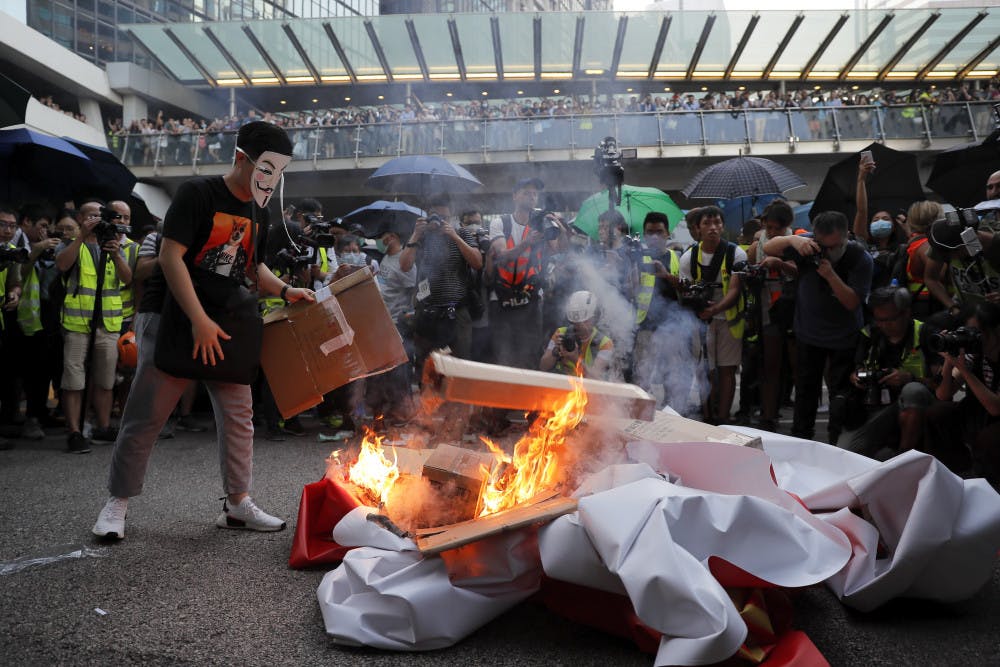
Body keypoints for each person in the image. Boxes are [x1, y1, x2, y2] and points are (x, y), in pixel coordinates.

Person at [93, 121, 313, 540]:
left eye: (278, 172)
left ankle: (237, 504)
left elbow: (253, 266)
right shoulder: (198, 193)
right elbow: (172, 258)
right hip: (170, 313)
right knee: (147, 414)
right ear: (242, 159)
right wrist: (198, 320)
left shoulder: (259, 211)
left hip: (224, 316)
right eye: (266, 169)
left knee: (238, 414)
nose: (271, 180)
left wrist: (287, 290)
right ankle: (117, 502)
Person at [764, 210, 873, 444]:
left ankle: (837, 440)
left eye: (835, 246)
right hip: (808, 333)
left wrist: (831, 275)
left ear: (846, 236)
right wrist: (794, 239)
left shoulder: (859, 258)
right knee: (805, 392)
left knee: (840, 395)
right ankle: (802, 440)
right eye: (824, 246)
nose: (828, 252)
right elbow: (768, 247)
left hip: (844, 337)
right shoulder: (808, 246)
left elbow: (853, 302)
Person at [55, 199, 133, 453]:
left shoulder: (111, 243)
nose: (96, 220)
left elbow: (127, 278)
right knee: (74, 379)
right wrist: (81, 238)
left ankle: (102, 426)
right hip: (78, 322)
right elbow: (62, 265)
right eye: (91, 216)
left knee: (106, 380)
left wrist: (115, 254)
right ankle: (74, 432)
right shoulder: (70, 244)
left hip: (108, 323)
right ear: (80, 218)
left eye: (100, 215)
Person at [835, 286, 938, 458]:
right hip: (875, 406)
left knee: (913, 390)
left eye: (890, 320)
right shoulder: (869, 334)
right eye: (879, 320)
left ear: (906, 313)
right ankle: (885, 451)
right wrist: (856, 377)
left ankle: (904, 458)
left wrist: (910, 378)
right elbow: (854, 370)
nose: (884, 325)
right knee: (847, 453)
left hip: (918, 404)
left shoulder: (926, 333)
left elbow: (941, 384)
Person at [679, 206, 746, 424]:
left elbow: (735, 290)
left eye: (717, 223)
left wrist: (715, 309)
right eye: (707, 224)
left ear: (723, 226)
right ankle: (707, 416)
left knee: (727, 370)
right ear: (697, 228)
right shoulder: (689, 257)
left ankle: (724, 418)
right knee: (703, 370)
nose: (713, 228)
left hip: (728, 320)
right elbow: (687, 290)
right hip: (701, 321)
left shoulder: (736, 253)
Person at [401, 194, 483, 370]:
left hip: (457, 312)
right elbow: (404, 265)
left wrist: (454, 236)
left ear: (451, 217)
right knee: (427, 367)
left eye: (444, 217)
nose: (439, 222)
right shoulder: (421, 237)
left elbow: (477, 262)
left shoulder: (461, 233)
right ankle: (427, 397)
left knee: (460, 368)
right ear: (427, 216)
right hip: (428, 313)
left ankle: (456, 398)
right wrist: (416, 234)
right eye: (435, 216)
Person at [924, 301, 1000, 483]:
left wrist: (965, 370)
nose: (972, 338)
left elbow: (996, 408)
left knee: (988, 439)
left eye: (978, 333)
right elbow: (943, 394)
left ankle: (990, 486)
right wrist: (949, 361)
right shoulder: (973, 353)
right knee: (936, 413)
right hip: (979, 412)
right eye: (966, 332)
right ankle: (956, 473)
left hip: (995, 415)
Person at [745, 200, 799, 432]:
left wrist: (781, 264)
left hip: (794, 307)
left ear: (787, 226)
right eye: (769, 228)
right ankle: (768, 415)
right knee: (770, 365)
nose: (773, 232)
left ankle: (800, 419)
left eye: (778, 228)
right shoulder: (759, 244)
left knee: (798, 365)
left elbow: (802, 271)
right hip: (768, 307)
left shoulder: (797, 241)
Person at [486, 178, 549, 370]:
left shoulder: (541, 224)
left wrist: (559, 228)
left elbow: (560, 248)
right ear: (514, 196)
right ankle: (505, 399)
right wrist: (526, 242)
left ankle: (530, 400)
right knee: (504, 357)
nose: (532, 196)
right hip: (502, 300)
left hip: (531, 301)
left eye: (535, 193)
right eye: (526, 192)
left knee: (530, 357)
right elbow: (502, 257)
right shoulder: (500, 223)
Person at [539, 290, 613, 380]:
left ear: (595, 318)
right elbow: (543, 367)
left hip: (587, 389)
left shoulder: (605, 344)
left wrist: (575, 359)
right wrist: (555, 352)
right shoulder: (561, 333)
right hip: (561, 384)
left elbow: (595, 378)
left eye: (585, 321)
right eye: (575, 323)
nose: (580, 326)